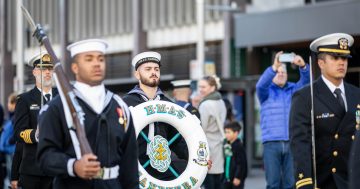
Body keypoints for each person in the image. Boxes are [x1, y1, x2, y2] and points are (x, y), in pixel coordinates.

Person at [37, 39, 138, 189]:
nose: (97, 64)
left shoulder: (120, 107)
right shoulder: (57, 107)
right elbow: (45, 158)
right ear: (75, 67)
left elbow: (129, 164)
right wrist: (73, 166)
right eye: (89, 59)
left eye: (101, 59)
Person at [290, 33, 360, 189]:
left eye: (344, 58)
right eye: (335, 58)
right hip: (325, 181)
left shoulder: (356, 94)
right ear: (321, 63)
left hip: (353, 180)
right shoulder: (305, 97)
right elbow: (300, 144)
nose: (341, 63)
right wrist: (305, 182)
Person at [123, 51, 189, 180]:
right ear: (137, 74)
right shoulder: (127, 103)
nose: (153, 72)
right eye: (148, 69)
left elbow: (176, 139)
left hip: (163, 167)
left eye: (156, 69)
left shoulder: (168, 104)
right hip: (136, 167)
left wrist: (197, 159)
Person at [256, 51, 309, 189]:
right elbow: (260, 85)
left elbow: (307, 82)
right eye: (278, 72)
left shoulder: (294, 90)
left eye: (283, 72)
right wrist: (274, 66)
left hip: (291, 142)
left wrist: (303, 67)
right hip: (271, 144)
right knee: (273, 183)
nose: (280, 74)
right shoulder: (265, 92)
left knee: (291, 183)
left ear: (287, 75)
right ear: (273, 75)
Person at [13, 51, 58, 189]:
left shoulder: (61, 97)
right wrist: (36, 134)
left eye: (50, 69)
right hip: (33, 171)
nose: (48, 72)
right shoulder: (25, 99)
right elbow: (18, 133)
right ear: (35, 72)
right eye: (43, 69)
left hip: (57, 169)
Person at [198, 75, 226, 189]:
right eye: (199, 87)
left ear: (212, 87)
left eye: (203, 87)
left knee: (209, 181)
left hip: (208, 145)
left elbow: (202, 128)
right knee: (218, 181)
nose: (200, 89)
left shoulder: (205, 104)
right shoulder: (221, 102)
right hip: (219, 143)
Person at [223, 121, 247, 189]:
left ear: (236, 133)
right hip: (227, 179)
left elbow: (241, 163)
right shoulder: (227, 145)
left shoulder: (238, 146)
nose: (226, 135)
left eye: (228, 132)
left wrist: (238, 177)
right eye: (225, 132)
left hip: (235, 180)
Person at [0, 93, 17, 188]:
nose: (7, 105)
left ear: (14, 103)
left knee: (12, 176)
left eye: (9, 102)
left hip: (11, 150)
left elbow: (16, 132)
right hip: (8, 150)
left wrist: (9, 141)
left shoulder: (16, 116)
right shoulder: (12, 116)